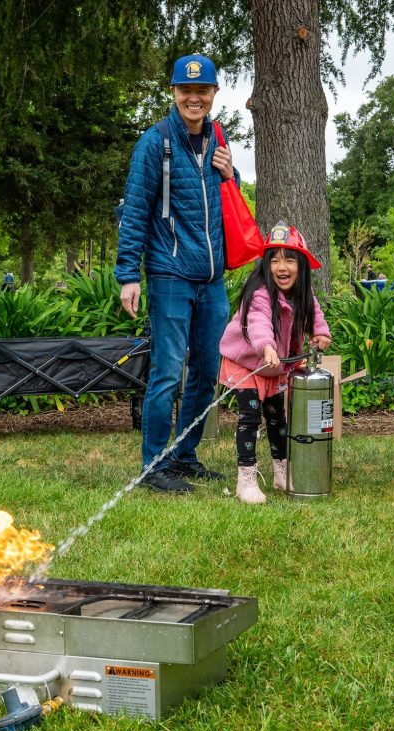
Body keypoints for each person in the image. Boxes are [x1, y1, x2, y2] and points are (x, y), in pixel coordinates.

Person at [115, 53, 236, 493]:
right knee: (167, 372)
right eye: (186, 90)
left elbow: (228, 203)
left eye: (202, 90)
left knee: (206, 371)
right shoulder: (155, 143)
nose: (194, 98)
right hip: (169, 274)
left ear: (214, 93)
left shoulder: (218, 139)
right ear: (174, 92)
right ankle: (153, 466)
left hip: (211, 279)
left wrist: (231, 175)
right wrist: (129, 275)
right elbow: (134, 211)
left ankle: (184, 455)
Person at [218, 223, 331, 503]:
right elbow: (258, 324)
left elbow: (314, 314)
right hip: (248, 363)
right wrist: (266, 346)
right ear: (266, 265)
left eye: (289, 260)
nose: (282, 267)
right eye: (275, 260)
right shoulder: (260, 293)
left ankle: (282, 472)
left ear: (302, 265)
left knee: (277, 418)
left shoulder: (303, 293)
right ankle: (246, 479)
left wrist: (321, 333)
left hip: (272, 366)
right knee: (250, 418)